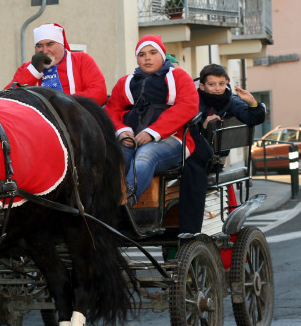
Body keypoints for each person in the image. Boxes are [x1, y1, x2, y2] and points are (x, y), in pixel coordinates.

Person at [105, 34, 199, 206]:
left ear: (162, 55)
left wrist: (152, 132)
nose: (147, 58)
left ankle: (123, 205)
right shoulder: (125, 82)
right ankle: (101, 203)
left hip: (173, 139)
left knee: (145, 155)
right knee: (113, 157)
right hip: (130, 139)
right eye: (142, 54)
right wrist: (121, 131)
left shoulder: (178, 77)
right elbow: (112, 109)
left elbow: (188, 106)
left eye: (152, 52)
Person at [177, 63, 266, 233]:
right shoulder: (193, 100)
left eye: (221, 84)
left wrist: (252, 102)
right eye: (212, 84)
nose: (217, 89)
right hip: (189, 151)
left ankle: (191, 231)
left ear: (227, 83)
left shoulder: (230, 100)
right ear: (202, 86)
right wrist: (203, 125)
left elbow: (254, 117)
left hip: (213, 158)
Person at [5, 23, 107, 105]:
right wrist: (34, 71)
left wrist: (64, 101)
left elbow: (99, 93)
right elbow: (7, 98)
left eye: (50, 44)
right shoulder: (27, 68)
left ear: (61, 45)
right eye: (39, 46)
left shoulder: (80, 59)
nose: (44, 51)